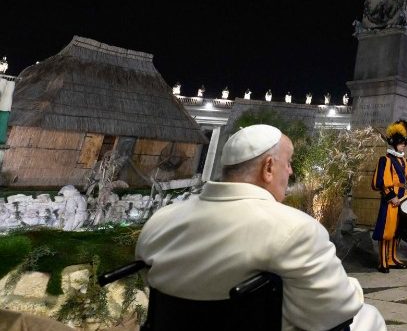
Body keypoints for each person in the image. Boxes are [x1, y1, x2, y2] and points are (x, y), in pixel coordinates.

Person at [136, 124, 385, 331]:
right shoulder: (297, 229)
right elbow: (335, 310)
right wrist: (352, 287)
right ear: (268, 168)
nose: (290, 171)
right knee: (369, 316)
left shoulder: (160, 221)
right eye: (288, 163)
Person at [371, 120, 407, 272]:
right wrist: (391, 196)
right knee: (386, 232)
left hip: (402, 201)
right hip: (391, 202)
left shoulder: (403, 160)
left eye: (405, 142)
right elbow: (380, 182)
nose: (404, 145)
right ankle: (383, 261)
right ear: (394, 143)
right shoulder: (386, 159)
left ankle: (392, 258)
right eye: (401, 143)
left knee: (396, 231)